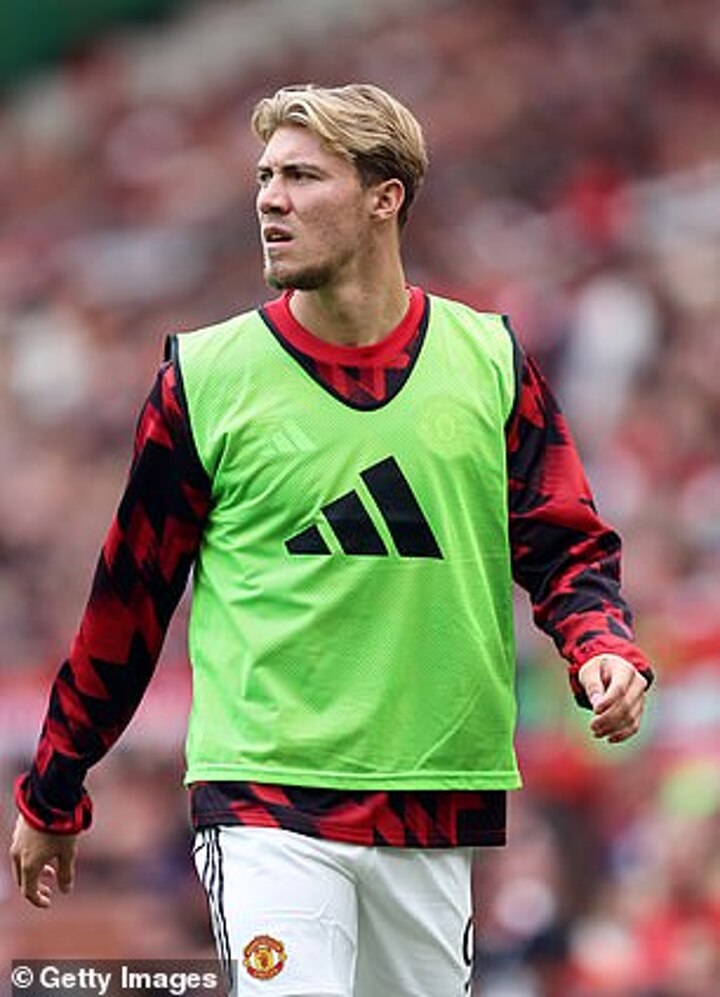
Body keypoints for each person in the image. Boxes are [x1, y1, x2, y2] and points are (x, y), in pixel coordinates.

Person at [10, 83, 653, 996]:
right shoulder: (206, 376)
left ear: (385, 196)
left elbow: (565, 543)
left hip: (433, 796)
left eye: (303, 177)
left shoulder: (489, 361)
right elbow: (129, 598)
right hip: (266, 799)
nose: (270, 199)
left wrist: (603, 646)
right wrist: (54, 784)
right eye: (265, 177)